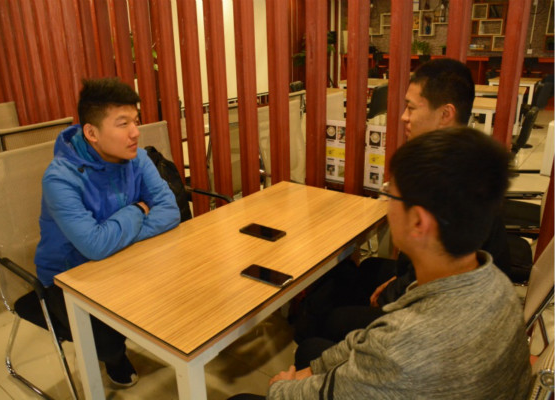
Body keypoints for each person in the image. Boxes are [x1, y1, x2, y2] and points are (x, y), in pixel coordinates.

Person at [230, 127, 531, 399]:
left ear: (418, 222)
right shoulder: (498, 285)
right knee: (311, 352)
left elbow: (337, 386)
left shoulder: (402, 345)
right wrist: (314, 370)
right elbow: (368, 346)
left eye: (390, 195)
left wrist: (280, 388)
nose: (386, 203)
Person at [292, 58, 511, 343]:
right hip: (436, 285)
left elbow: (442, 276)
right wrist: (401, 281)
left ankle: (312, 340)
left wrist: (396, 293)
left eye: (411, 107)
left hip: (441, 318)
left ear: (445, 114)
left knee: (323, 326)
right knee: (359, 271)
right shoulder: (464, 156)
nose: (404, 117)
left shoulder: (448, 177)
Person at [34, 78, 180, 387]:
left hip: (124, 257)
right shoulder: (60, 178)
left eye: (136, 121)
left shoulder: (137, 158)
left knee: (183, 287)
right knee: (108, 343)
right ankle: (113, 356)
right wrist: (138, 210)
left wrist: (111, 236)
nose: (135, 132)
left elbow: (170, 211)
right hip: (70, 276)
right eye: (123, 124)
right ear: (92, 133)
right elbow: (94, 247)